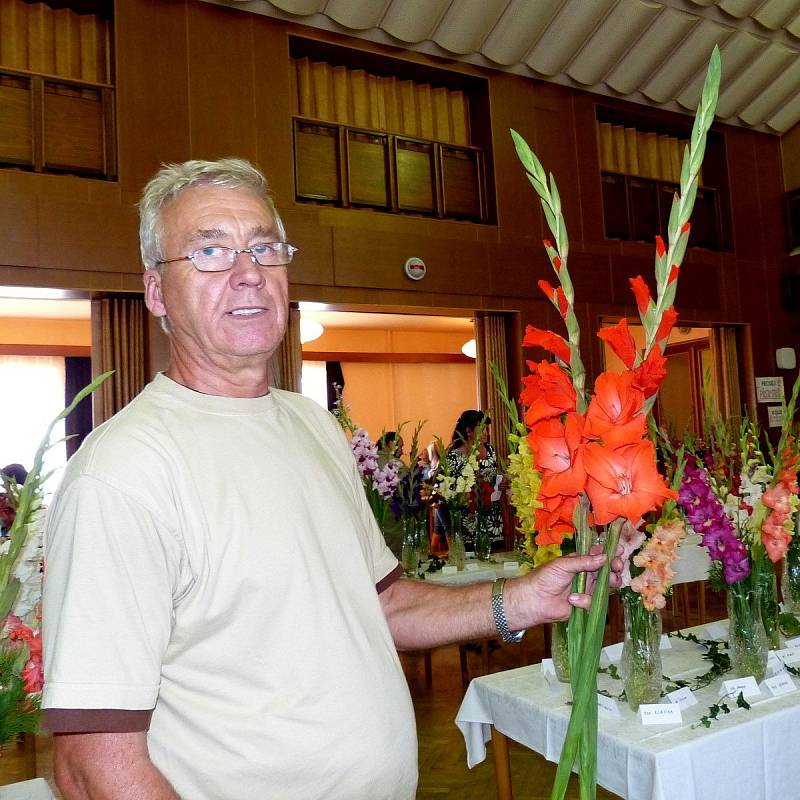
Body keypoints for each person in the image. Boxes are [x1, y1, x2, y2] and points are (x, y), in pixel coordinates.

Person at [42, 158, 622, 800]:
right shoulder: (123, 471)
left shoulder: (311, 426)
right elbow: (94, 765)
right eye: (210, 251)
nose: (249, 274)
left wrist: (517, 599)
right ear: (156, 293)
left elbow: (379, 604)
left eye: (265, 247)